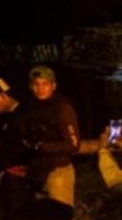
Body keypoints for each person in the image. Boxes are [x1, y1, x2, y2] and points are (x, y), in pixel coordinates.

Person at [17, 65, 81, 207]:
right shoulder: (30, 109)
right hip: (37, 174)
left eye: (45, 84)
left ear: (54, 86)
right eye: (36, 84)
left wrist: (42, 146)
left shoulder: (62, 109)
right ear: (31, 87)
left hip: (58, 173)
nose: (40, 88)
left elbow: (73, 145)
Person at [0, 78, 34, 215]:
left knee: (20, 218)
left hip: (19, 182)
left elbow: (22, 147)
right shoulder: (5, 117)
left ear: (2, 96)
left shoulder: (23, 116)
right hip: (11, 181)